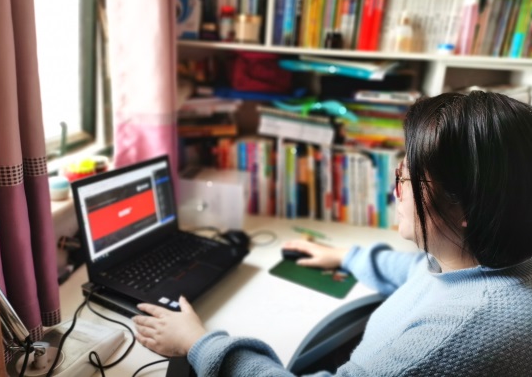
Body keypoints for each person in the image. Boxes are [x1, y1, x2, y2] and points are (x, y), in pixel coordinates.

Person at [133, 91, 532, 376]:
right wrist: (346, 257)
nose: (395, 190)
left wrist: (197, 343)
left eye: (406, 179)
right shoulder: (488, 260)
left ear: (467, 207)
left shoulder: (447, 341)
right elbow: (420, 272)